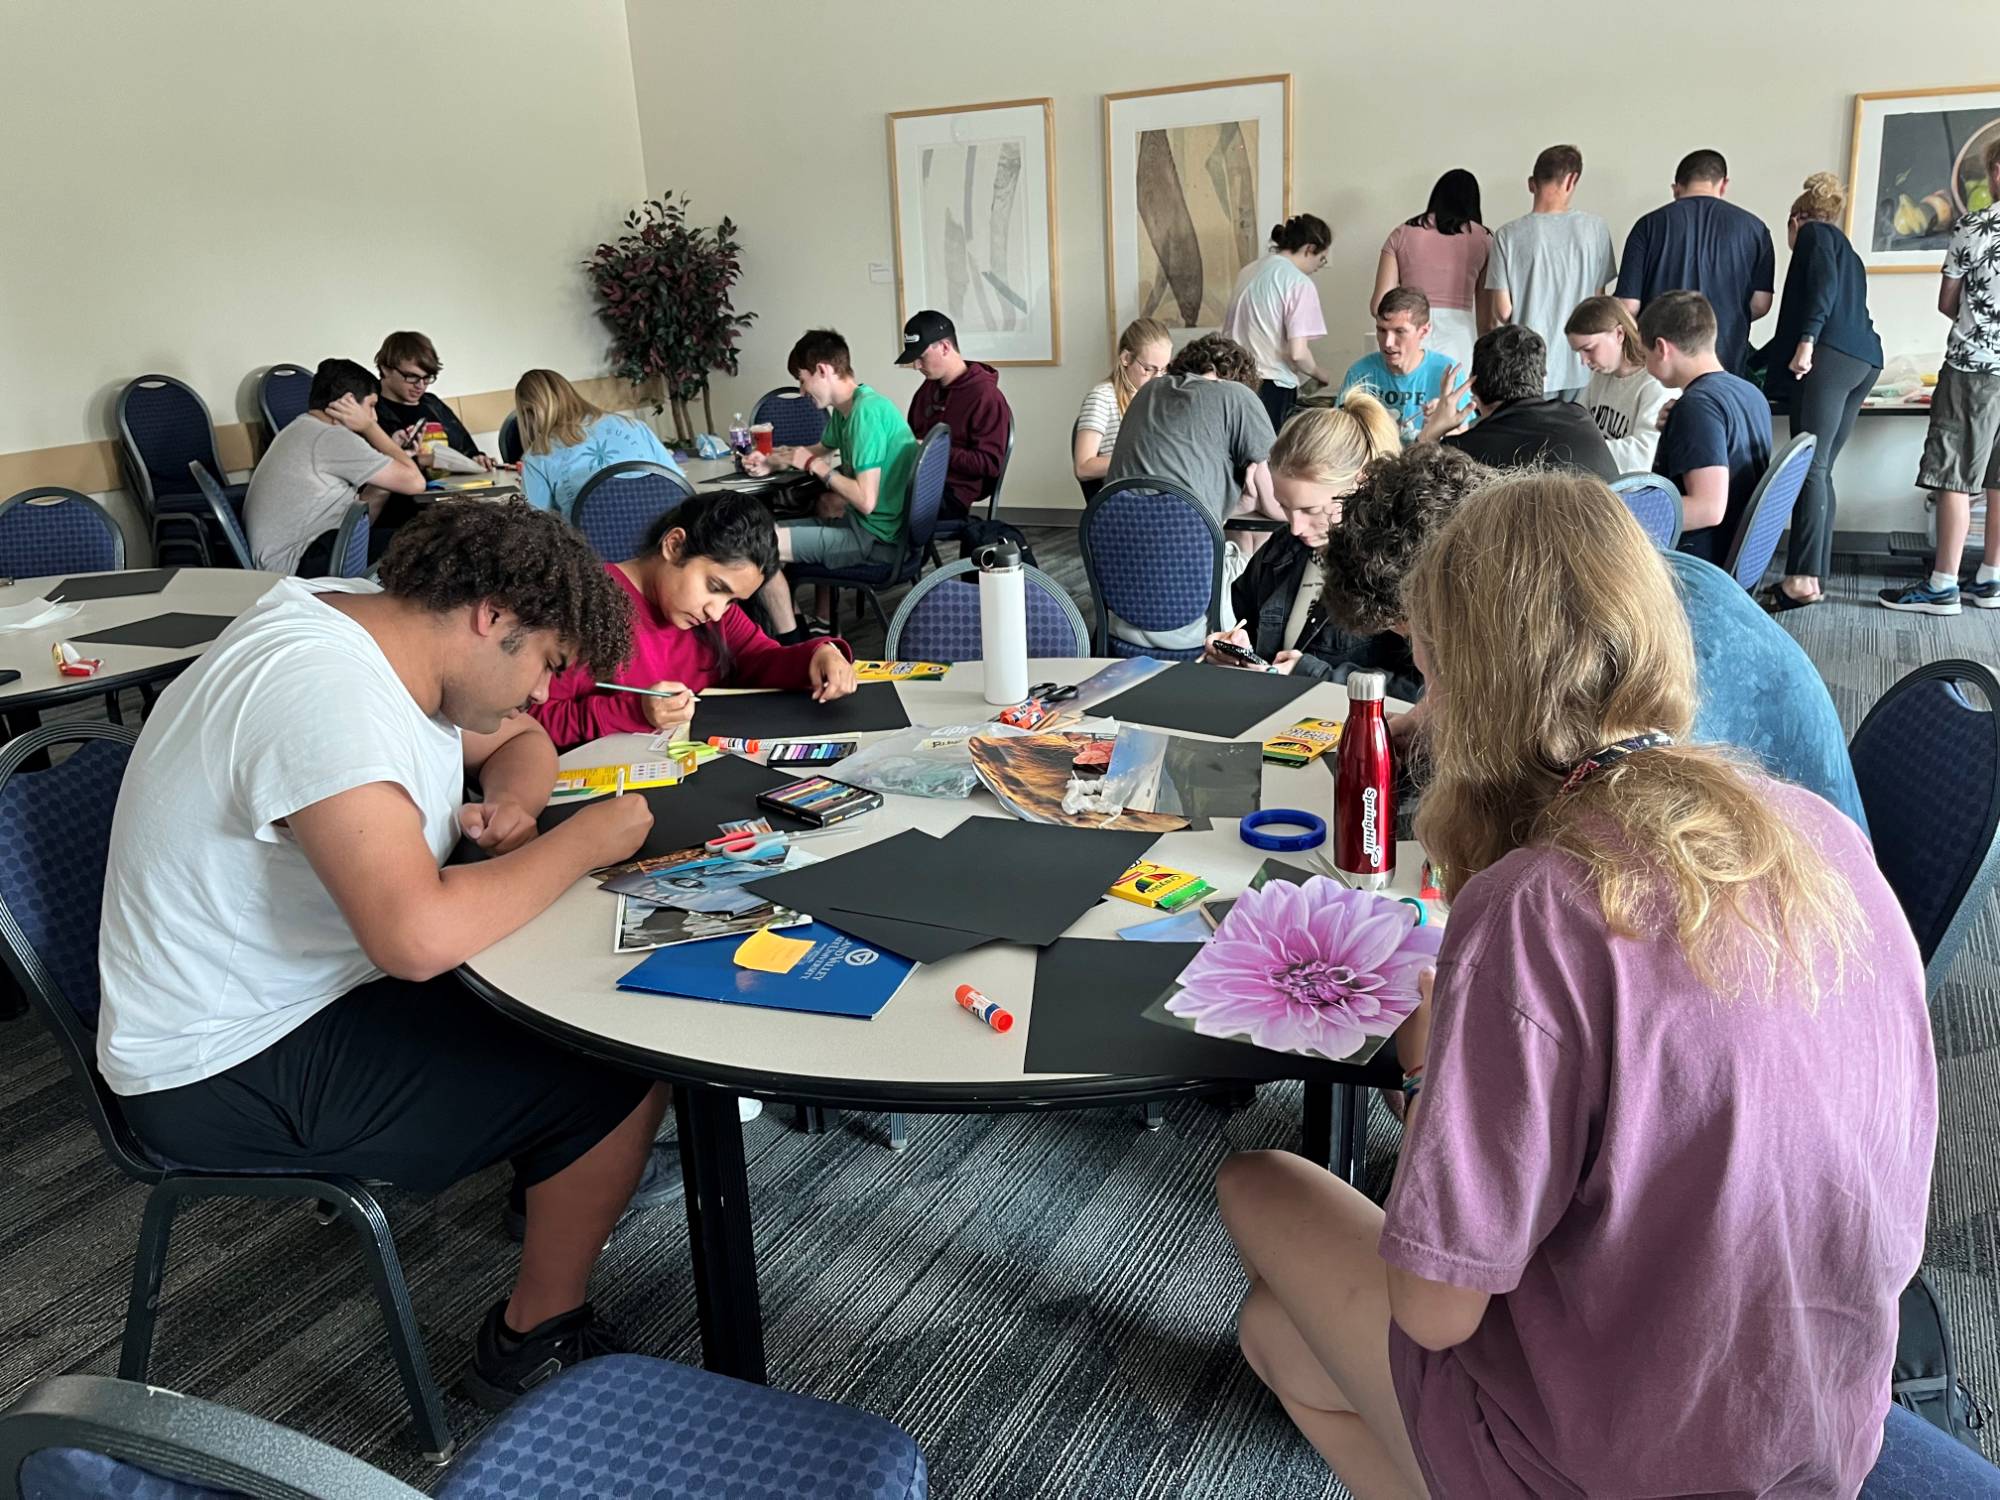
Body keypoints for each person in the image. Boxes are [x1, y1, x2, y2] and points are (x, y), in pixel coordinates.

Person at [1216, 472, 1930, 1498]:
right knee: (1278, 1335)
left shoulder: (1534, 906)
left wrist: (1429, 1074)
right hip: (1818, 1426)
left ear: (1466, 680)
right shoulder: (1812, 832)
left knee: (1254, 1186)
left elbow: (1431, 1310)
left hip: (1616, 1460)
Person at [97, 500, 679, 1408]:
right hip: (216, 1062)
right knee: (618, 1062)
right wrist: (578, 844)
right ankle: (534, 1337)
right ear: (492, 616)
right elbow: (416, 939)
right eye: (545, 663)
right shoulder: (321, 692)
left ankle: (555, 1176)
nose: (540, 694)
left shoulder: (389, 626)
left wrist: (521, 807)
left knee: (583, 996)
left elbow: (520, 741)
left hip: (307, 985)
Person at [532, 490, 857, 750]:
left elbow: (761, 659)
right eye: (715, 588)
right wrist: (634, 712)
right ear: (674, 545)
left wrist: (818, 653)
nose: (715, 612)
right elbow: (532, 725)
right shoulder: (584, 607)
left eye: (731, 601)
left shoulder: (715, 617)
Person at [1206, 412, 1460, 702]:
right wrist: (1234, 650)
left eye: (1311, 510)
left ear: (1360, 485)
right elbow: (1245, 622)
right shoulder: (1281, 547)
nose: (1295, 526)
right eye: (1284, 507)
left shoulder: (1393, 568)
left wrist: (1317, 676)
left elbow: (1427, 693)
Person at [1102, 333, 1281, 651]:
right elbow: (1279, 505)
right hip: (1194, 620)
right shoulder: (1236, 396)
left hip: (1120, 608)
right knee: (1255, 541)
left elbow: (1163, 497)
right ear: (1238, 379)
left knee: (1231, 534)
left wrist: (1234, 503)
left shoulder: (1148, 391)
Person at [1881, 138, 2000, 616]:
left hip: (1974, 369)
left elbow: (1947, 302)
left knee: (1953, 475)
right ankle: (1991, 577)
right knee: (1997, 476)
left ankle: (1942, 585)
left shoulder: (1975, 226)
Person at [1754, 174, 1884, 611]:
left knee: (1808, 466)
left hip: (1828, 357)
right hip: (1863, 361)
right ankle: (1814, 577)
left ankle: (1802, 580)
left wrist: (1807, 343)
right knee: (1821, 467)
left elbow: (1820, 296)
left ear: (1796, 220)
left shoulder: (1814, 236)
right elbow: (1808, 314)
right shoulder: (1849, 250)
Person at [744, 329, 919, 643]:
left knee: (758, 544)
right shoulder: (853, 407)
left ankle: (795, 641)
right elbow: (815, 450)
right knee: (761, 535)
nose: (801, 391)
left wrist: (814, 467)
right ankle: (804, 631)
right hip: (871, 530)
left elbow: (865, 500)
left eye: (802, 379)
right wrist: (771, 460)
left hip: (874, 542)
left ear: (823, 370)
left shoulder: (864, 415)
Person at [243, 358, 426, 575]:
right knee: (426, 545)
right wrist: (370, 428)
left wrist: (391, 457)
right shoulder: (330, 437)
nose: (375, 416)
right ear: (349, 402)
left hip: (300, 557)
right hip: (298, 566)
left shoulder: (305, 428)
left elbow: (358, 526)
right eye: (371, 406)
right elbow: (415, 483)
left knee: (416, 539)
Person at [1616, 150, 1776, 377]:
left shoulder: (1648, 225)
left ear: (1676, 188)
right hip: (1724, 356)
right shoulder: (1755, 229)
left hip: (1659, 358)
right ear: (1723, 184)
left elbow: (1628, 304)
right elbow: (1760, 304)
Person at [1641, 291, 1773, 564]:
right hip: (1735, 556)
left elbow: (1708, 508)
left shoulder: (1697, 407)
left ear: (1662, 348)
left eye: (1645, 356)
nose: (1646, 367)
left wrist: (1622, 518)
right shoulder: (1750, 393)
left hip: (1695, 564)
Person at [1482, 144, 1618, 400]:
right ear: (1572, 179)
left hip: (1527, 364)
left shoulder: (1507, 235)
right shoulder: (1596, 229)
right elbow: (1598, 302)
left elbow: (1502, 311)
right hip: (1580, 361)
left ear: (1532, 183)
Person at [1418, 325, 1619, 481]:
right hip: (1619, 531)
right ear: (1543, 378)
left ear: (1474, 386)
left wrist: (1430, 435)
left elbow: (1409, 496)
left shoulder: (1461, 454)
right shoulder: (1580, 417)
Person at [515, 368, 686, 523]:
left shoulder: (538, 455)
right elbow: (677, 484)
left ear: (528, 413)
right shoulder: (634, 426)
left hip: (592, 552)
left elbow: (536, 524)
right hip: (659, 543)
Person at [896, 310, 1012, 521]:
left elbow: (990, 464)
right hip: (916, 481)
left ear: (945, 347)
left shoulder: (986, 396)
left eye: (921, 358)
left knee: (877, 505)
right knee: (855, 492)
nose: (916, 366)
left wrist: (935, 451)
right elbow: (911, 437)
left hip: (953, 493)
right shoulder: (927, 390)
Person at [1224, 214, 1336, 431]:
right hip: (1271, 386)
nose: (1317, 267)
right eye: (1321, 259)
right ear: (1309, 249)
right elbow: (1297, 353)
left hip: (1233, 380)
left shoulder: (1247, 271)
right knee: (1269, 459)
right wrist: (1320, 374)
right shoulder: (1297, 282)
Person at [1374, 171, 1490, 375]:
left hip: (1409, 329)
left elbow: (1378, 304)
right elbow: (1486, 319)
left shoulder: (1402, 233)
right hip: (1459, 336)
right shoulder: (1483, 238)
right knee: (1453, 401)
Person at [1339, 288, 1465, 445]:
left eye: (1400, 331)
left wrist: (1442, 423)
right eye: (1382, 330)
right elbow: (1340, 435)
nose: (1388, 343)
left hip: (1429, 463)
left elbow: (1463, 437)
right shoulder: (1360, 373)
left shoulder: (1447, 372)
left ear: (1424, 331)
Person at [1565, 295, 1675, 473]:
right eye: (1579, 352)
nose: (1584, 361)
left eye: (1589, 349)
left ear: (1619, 334)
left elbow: (1643, 455)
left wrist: (1579, 448)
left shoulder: (1655, 384)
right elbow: (1576, 423)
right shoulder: (1601, 374)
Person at [1073, 318, 1172, 501]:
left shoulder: (1158, 399)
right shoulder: (1102, 398)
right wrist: (1141, 461)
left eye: (1164, 370)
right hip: (1127, 501)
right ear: (1126, 358)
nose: (1158, 378)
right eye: (1149, 369)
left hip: (1155, 494)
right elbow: (1083, 467)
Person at [373, 331, 488, 464]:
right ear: (386, 369)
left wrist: (478, 459)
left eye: (427, 377)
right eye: (412, 376)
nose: (421, 385)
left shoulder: (433, 404)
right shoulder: (370, 410)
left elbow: (467, 451)